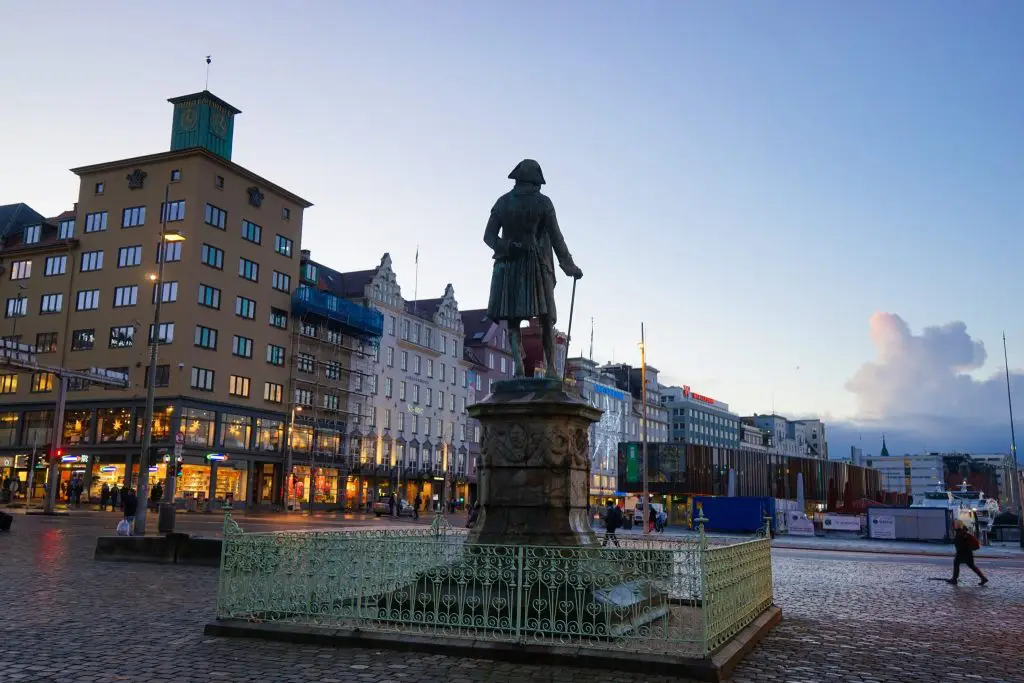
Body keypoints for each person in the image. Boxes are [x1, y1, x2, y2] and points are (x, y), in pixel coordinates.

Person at [483, 159, 584, 377]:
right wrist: (569, 266)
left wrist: (508, 247)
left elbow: (488, 237)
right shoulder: (543, 203)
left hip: (509, 264)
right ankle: (551, 370)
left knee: (513, 319)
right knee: (546, 316)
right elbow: (557, 238)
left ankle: (519, 365)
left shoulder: (502, 202)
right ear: (535, 181)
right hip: (536, 265)